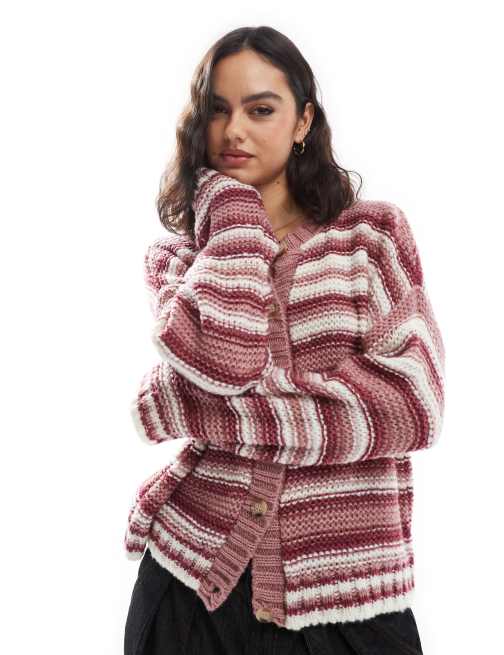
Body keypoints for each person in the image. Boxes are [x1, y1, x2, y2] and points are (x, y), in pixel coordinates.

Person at [124, 24, 444, 655]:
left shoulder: (371, 240)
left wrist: (187, 408)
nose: (234, 131)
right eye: (217, 110)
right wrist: (232, 215)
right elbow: (225, 358)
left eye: (261, 109)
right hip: (189, 583)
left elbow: (411, 406)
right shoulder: (180, 260)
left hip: (350, 598)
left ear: (303, 121)